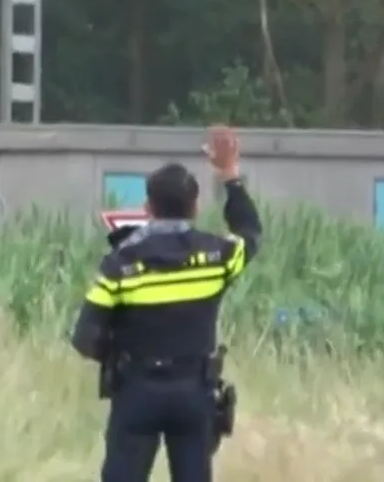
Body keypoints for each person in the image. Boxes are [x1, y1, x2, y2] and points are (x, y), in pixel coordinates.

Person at [70, 125, 261, 482]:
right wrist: (230, 176)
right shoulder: (218, 256)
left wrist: (121, 359)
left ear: (148, 208)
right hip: (194, 392)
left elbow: (84, 336)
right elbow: (250, 232)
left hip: (137, 389)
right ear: (196, 205)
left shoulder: (120, 264)